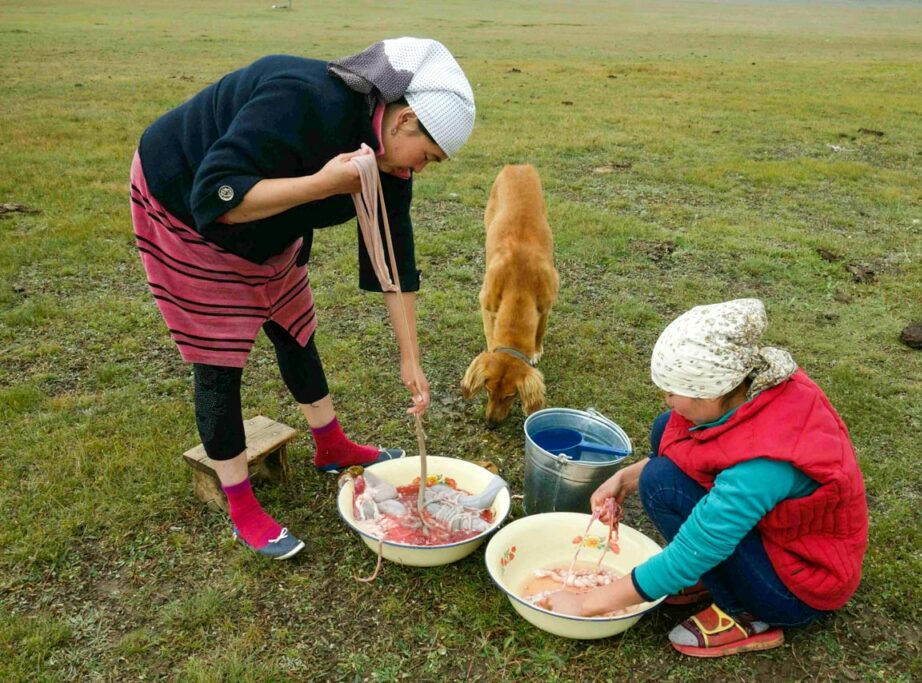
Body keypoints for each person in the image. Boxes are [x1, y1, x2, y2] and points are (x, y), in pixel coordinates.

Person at [130, 38, 475, 560]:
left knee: (294, 322)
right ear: (403, 121)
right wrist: (320, 184)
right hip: (186, 202)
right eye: (427, 156)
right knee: (219, 355)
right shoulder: (300, 100)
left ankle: (331, 445)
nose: (421, 169)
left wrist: (411, 358)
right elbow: (215, 197)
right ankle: (242, 506)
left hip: (272, 222)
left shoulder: (390, 163)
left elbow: (395, 263)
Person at [540, 299, 868, 658]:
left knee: (662, 482)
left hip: (796, 587)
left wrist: (586, 604)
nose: (667, 399)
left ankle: (746, 614)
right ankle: (717, 580)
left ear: (712, 392)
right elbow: (683, 443)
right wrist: (625, 477)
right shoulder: (753, 388)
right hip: (774, 538)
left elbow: (696, 549)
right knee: (666, 430)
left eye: (673, 391)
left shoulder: (765, 463)